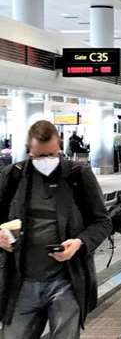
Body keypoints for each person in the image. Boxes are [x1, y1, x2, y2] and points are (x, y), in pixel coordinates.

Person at [0, 120, 111, 338]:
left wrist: (79, 243)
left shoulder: (78, 175)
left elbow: (103, 222)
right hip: (21, 282)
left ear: (60, 148)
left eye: (52, 155)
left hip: (67, 281)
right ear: (28, 151)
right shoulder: (12, 176)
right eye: (40, 156)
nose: (47, 161)